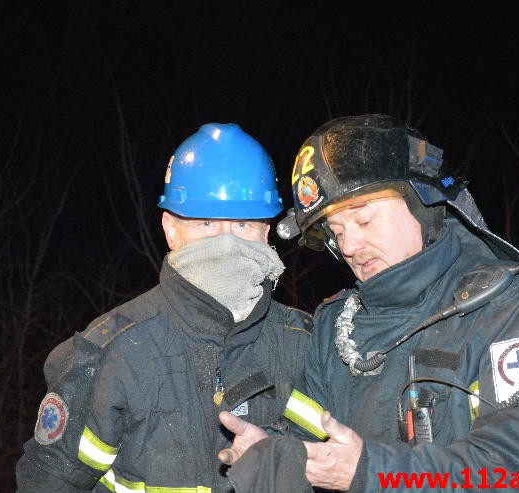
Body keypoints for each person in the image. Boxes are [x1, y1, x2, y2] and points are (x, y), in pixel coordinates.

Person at [218, 114, 519, 492]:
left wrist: (370, 471)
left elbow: (517, 471)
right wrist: (273, 453)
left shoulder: (509, 306)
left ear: (420, 204)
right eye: (337, 232)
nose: (349, 247)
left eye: (363, 220)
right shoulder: (335, 327)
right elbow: (310, 441)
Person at [16, 123, 312, 492]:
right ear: (170, 230)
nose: (227, 245)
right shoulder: (111, 352)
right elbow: (50, 482)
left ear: (266, 232)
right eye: (205, 223)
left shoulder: (305, 345)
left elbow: (371, 471)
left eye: (242, 224)